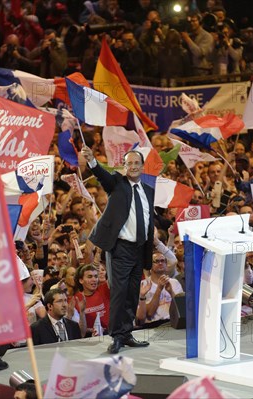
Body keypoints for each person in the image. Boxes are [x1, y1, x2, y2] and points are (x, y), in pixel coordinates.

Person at [80, 145, 154, 355]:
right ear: (124, 166)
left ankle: (127, 332)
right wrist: (93, 161)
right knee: (119, 293)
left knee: (132, 293)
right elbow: (103, 176)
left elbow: (148, 220)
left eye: (136, 163)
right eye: (129, 163)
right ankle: (116, 337)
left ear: (142, 166)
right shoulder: (117, 184)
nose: (132, 166)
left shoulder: (149, 190)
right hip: (120, 248)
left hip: (139, 249)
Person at [136, 252, 184, 326]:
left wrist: (171, 292)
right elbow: (149, 314)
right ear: (150, 266)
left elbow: (181, 309)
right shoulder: (143, 285)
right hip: (154, 325)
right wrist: (159, 289)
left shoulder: (174, 282)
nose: (160, 263)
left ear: (166, 265)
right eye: (157, 261)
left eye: (163, 261)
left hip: (173, 323)